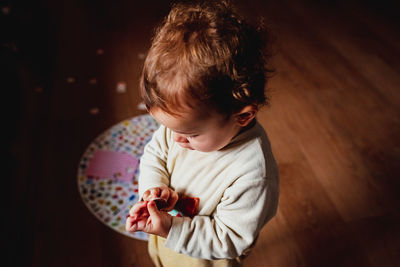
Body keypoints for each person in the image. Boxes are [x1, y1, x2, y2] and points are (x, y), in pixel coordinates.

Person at [125, 0, 279, 266]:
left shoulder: (252, 174)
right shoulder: (181, 128)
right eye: (169, 128)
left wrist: (172, 230)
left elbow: (230, 239)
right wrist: (153, 188)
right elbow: (155, 154)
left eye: (190, 134)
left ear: (242, 116)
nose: (175, 139)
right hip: (168, 240)